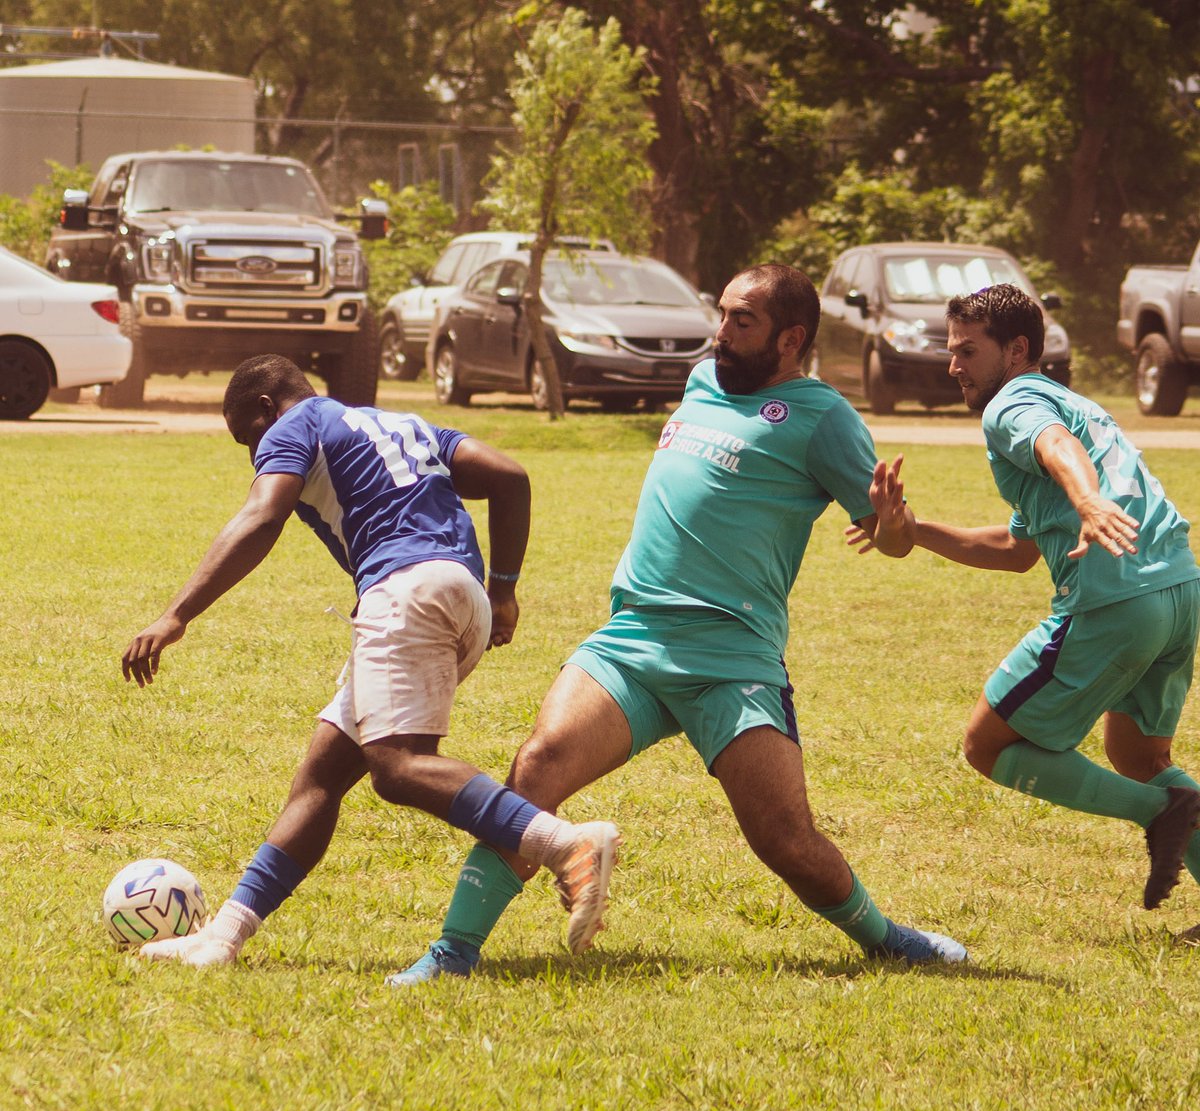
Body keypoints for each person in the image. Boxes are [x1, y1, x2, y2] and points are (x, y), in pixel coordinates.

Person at [389, 262, 969, 985]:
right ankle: (453, 952)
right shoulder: (702, 381)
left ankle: (887, 939)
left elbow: (891, 537)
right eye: (721, 314)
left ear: (790, 339)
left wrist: (894, 524)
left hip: (732, 655)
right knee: (536, 767)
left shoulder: (824, 418)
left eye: (742, 321)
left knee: (785, 840)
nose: (721, 332)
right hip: (633, 639)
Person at [120, 354, 620, 969]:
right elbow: (509, 476)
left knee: (398, 766)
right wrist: (504, 590)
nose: (254, 453)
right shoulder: (403, 425)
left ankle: (566, 844)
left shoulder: (292, 426)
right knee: (322, 776)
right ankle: (222, 939)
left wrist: (176, 615)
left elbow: (262, 514)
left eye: (247, 437)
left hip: (404, 591)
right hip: (457, 593)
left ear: (266, 408)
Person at [850, 282, 1200, 917]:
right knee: (1139, 755)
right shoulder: (1072, 401)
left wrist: (1088, 502)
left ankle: (1160, 811)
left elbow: (1056, 447)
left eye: (967, 352)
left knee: (985, 745)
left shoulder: (1011, 404)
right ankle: (1168, 801)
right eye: (951, 351)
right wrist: (912, 528)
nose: (953, 366)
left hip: (1114, 600)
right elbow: (1015, 550)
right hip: (1175, 589)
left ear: (1015, 351)